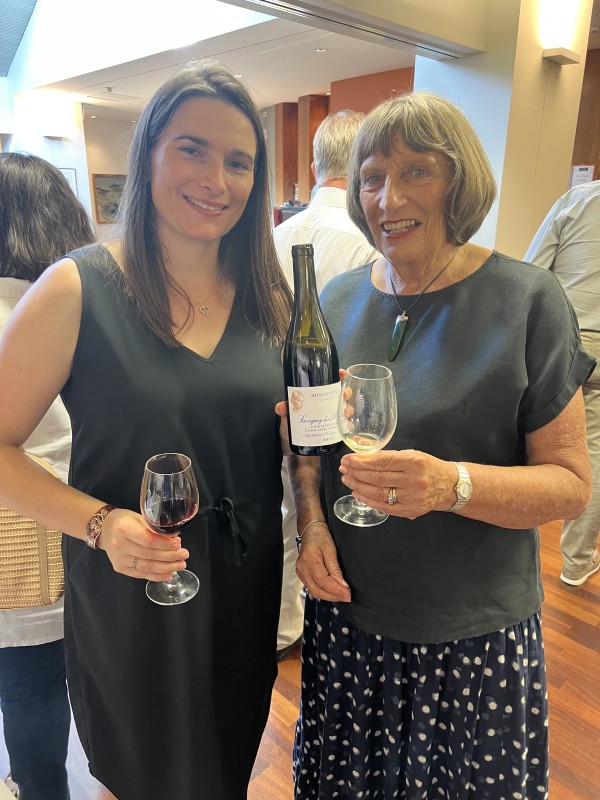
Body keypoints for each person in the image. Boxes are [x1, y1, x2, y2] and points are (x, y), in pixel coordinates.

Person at [282, 92, 595, 800]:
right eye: (371, 176)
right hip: (349, 623)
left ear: (459, 182)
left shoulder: (528, 301)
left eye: (415, 171)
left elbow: (571, 484)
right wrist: (311, 524)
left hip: (468, 640)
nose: (387, 197)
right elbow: (306, 448)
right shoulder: (335, 301)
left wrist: (453, 485)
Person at [0, 63, 292, 800]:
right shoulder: (77, 287)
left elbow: (284, 436)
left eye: (238, 161)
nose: (215, 180)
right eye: (192, 149)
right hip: (133, 589)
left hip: (243, 582)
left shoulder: (270, 296)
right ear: (148, 155)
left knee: (225, 765)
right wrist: (99, 524)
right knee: (144, 775)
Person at [0, 152, 95, 799]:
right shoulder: (71, 310)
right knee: (45, 690)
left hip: (22, 545)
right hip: (54, 538)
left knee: (25, 688)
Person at [274, 110, 380, 659]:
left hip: (274, 399)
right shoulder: (367, 241)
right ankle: (311, 610)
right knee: (317, 508)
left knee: (281, 508)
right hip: (334, 409)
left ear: (315, 165)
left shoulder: (274, 236)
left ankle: (282, 628)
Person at [525, 180, 600, 586]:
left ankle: (522, 545)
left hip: (568, 339)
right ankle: (577, 562)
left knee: (541, 439)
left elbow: (534, 271)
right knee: (593, 452)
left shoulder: (580, 199)